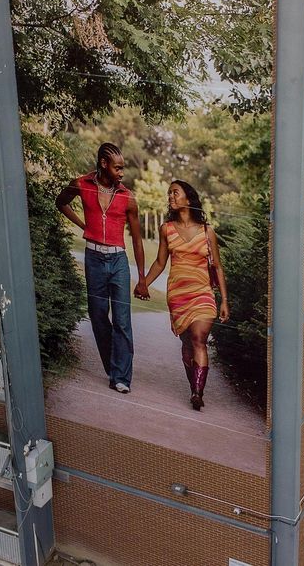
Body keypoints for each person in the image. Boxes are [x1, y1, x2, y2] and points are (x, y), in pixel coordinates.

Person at [56, 143, 148, 394]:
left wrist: (142, 278)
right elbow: (60, 202)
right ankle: (113, 368)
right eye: (117, 168)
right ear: (104, 164)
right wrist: (83, 225)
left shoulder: (127, 197)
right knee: (97, 315)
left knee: (122, 320)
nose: (122, 173)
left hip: (118, 261)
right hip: (93, 259)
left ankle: (121, 377)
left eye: (123, 168)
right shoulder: (81, 184)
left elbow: (137, 240)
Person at [135, 180, 229, 411]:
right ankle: (193, 387)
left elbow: (217, 267)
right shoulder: (166, 229)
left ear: (188, 197)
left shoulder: (207, 231)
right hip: (178, 295)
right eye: (169, 193)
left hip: (203, 293)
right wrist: (143, 283)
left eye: (175, 193)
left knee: (199, 338)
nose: (170, 197)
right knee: (188, 343)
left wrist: (225, 301)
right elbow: (160, 262)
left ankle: (198, 392)